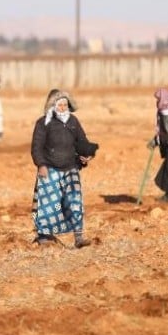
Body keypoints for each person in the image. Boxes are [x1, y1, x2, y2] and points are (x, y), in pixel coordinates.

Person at [31, 89, 97, 249]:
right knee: (48, 204)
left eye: (65, 104)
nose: (62, 107)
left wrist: (86, 155)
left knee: (74, 202)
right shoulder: (42, 123)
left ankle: (79, 237)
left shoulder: (73, 121)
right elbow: (36, 148)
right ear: (52, 106)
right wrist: (41, 164)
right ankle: (44, 236)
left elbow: (82, 142)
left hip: (70, 168)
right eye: (59, 104)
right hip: (50, 168)